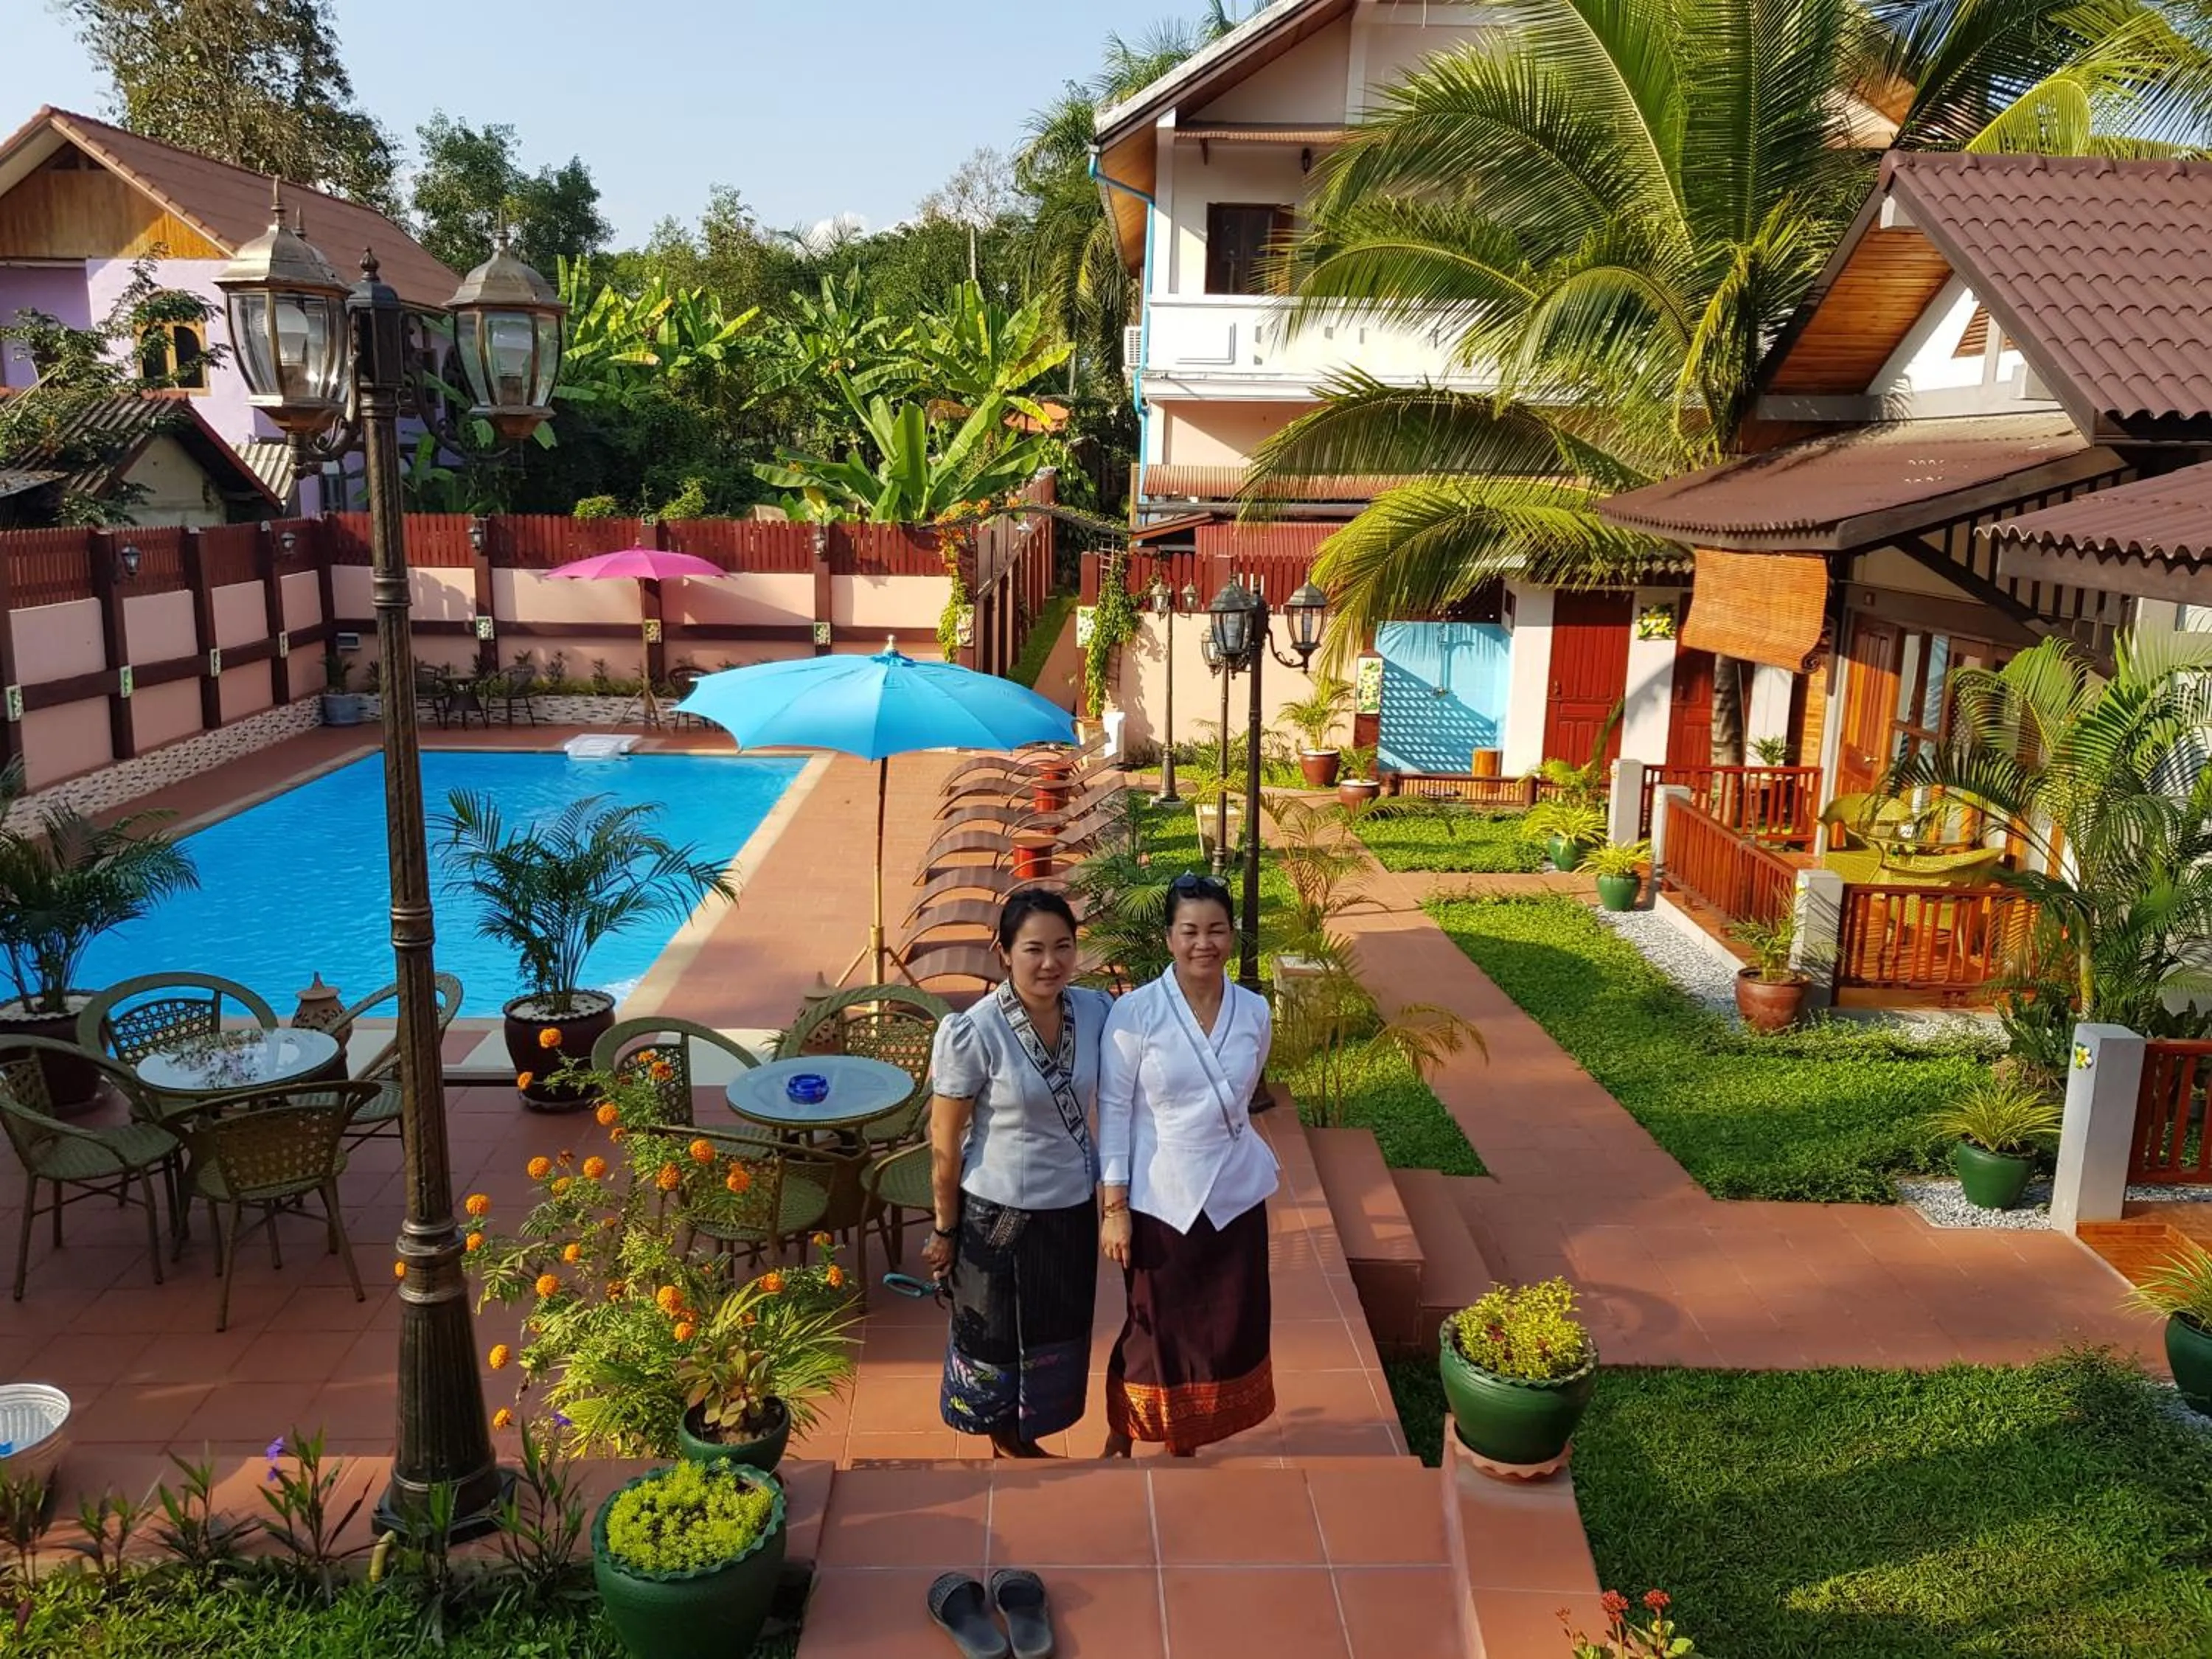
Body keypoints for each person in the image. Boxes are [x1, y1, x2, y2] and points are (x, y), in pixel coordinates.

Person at [922, 888, 1112, 1458]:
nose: (1050, 962)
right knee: (997, 1335)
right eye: (1033, 949)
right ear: (1004, 953)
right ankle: (1005, 1441)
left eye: (1063, 946)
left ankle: (1032, 1435)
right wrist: (945, 1227)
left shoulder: (1096, 1011)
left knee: (1058, 1328)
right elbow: (944, 1139)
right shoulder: (975, 1032)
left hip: (1071, 1207)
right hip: (999, 1213)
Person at [1098, 872, 1277, 1457]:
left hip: (1234, 1195)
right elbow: (1114, 1110)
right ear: (1169, 937)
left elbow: (1243, 1097)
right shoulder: (1136, 1013)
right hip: (1161, 1198)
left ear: (1232, 935)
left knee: (1224, 1326)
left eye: (1217, 930)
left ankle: (1189, 1434)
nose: (1205, 943)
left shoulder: (1254, 1011)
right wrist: (1115, 1207)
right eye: (1190, 931)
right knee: (1151, 1324)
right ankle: (1124, 1431)